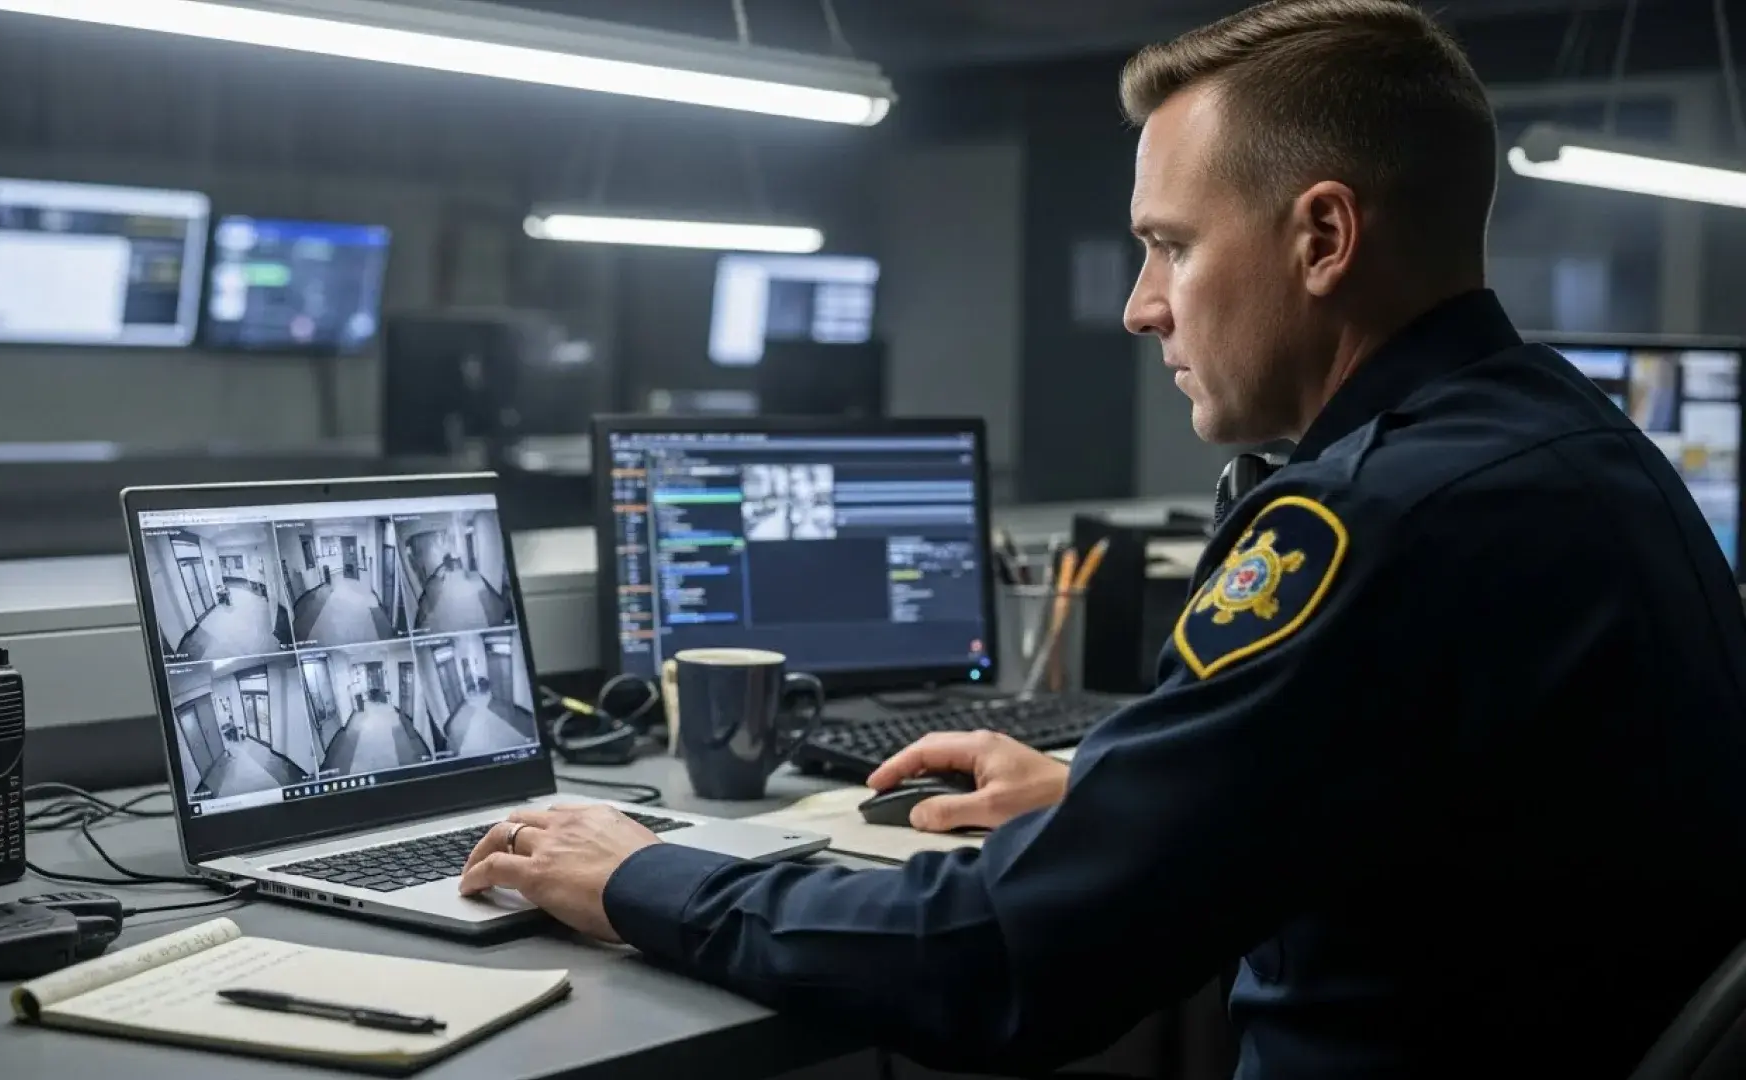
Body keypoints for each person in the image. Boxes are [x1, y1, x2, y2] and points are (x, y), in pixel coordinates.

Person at [461, 0, 1746, 1075]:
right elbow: (1449, 797)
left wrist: (644, 877)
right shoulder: (1568, 441)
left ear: (1324, 238)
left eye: (1169, 247)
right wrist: (1105, 797)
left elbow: (1005, 960)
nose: (1140, 308)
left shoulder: (1373, 524)